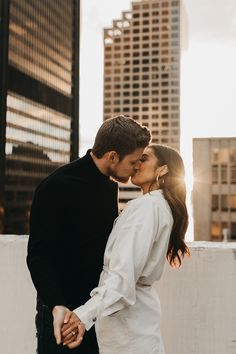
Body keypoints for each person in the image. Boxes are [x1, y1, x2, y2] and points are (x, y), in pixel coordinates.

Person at [26, 115, 151, 354]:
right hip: (61, 314)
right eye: (134, 161)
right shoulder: (55, 187)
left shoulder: (109, 185)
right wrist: (57, 305)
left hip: (94, 314)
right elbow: (37, 256)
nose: (137, 167)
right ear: (112, 156)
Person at [59, 144, 190, 354]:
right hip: (136, 326)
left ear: (163, 169)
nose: (137, 163)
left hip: (129, 333)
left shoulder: (147, 207)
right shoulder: (159, 206)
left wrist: (81, 316)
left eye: (144, 158)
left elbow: (122, 279)